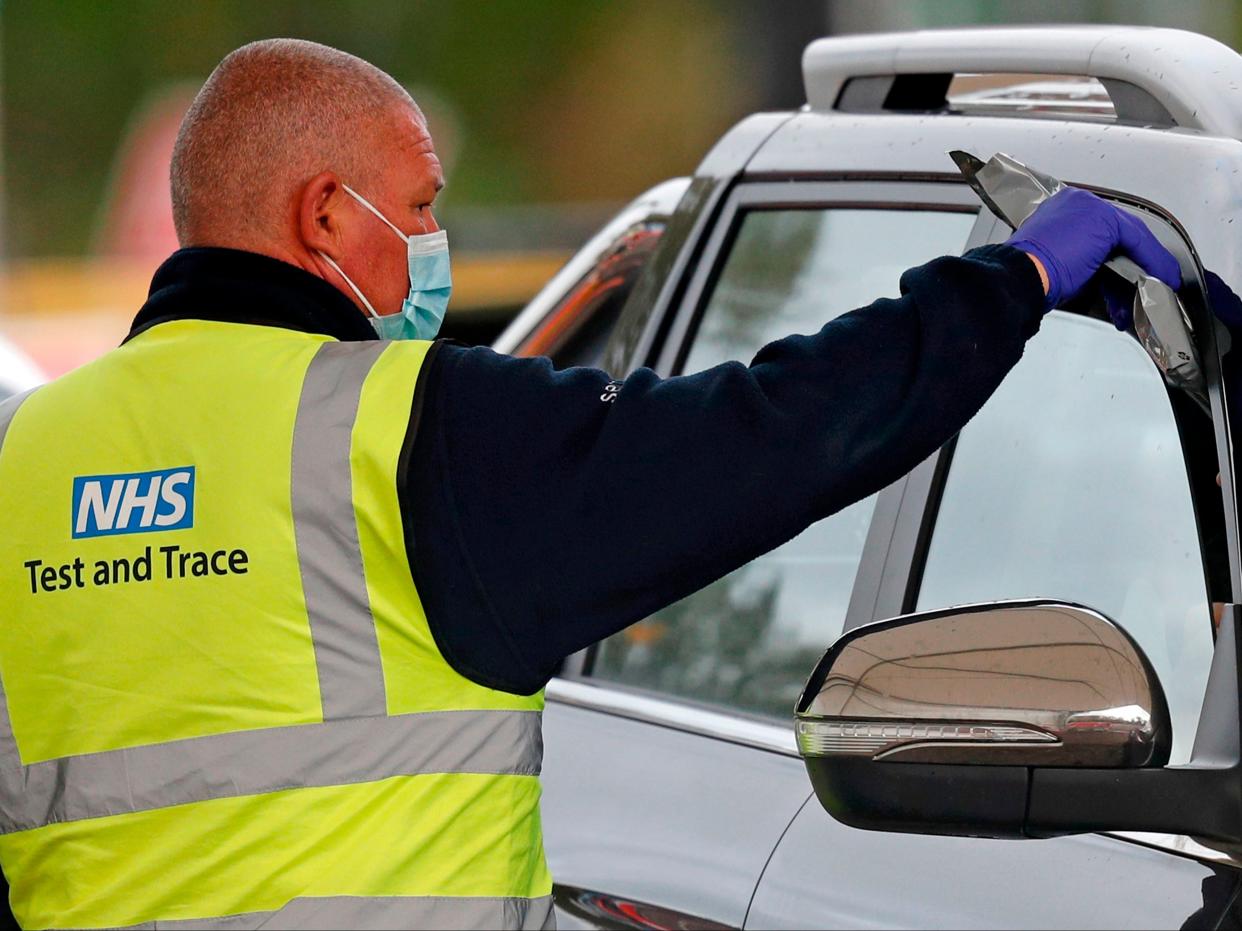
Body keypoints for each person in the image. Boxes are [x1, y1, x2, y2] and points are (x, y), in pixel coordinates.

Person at [0, 38, 1181, 931]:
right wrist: (1009, 281)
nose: (431, 244)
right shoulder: (412, 429)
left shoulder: (25, 459)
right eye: (416, 208)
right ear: (321, 215)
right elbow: (766, 437)